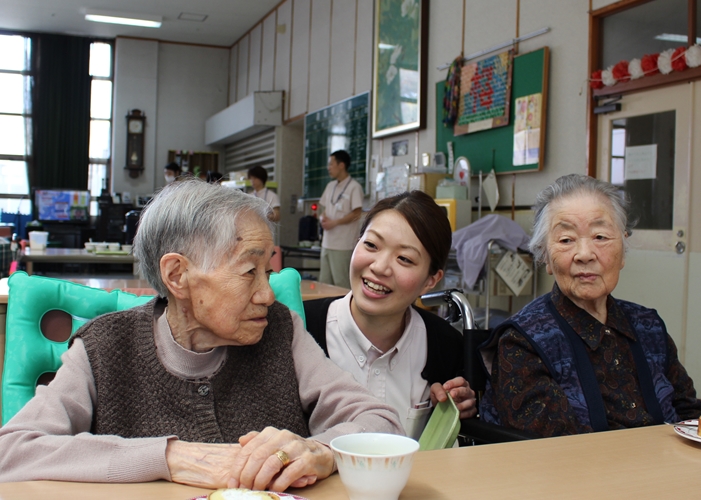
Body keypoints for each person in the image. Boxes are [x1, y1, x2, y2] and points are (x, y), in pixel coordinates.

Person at [0, 178, 403, 491]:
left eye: (268, 272)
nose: (266, 294)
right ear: (178, 275)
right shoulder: (105, 348)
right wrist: (171, 457)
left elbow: (382, 422)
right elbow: (12, 452)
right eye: (249, 273)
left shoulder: (279, 329)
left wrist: (321, 450)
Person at [479, 174, 701, 438]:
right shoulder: (522, 342)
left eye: (600, 236)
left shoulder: (648, 326)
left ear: (623, 251)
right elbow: (558, 448)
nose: (585, 254)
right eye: (566, 240)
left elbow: (689, 413)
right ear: (545, 256)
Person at [305, 191, 476, 439]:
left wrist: (459, 408)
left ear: (431, 280)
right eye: (371, 245)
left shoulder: (446, 347)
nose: (380, 267)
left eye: (404, 259)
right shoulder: (301, 331)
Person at [318, 150, 364, 288]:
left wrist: (335, 223)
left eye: (331, 164)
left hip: (343, 244)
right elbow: (323, 207)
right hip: (327, 242)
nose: (328, 168)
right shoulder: (330, 186)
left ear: (341, 165)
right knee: (324, 282)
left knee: (341, 284)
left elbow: (357, 212)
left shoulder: (354, 187)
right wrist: (322, 218)